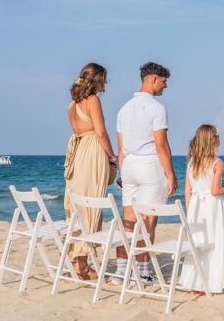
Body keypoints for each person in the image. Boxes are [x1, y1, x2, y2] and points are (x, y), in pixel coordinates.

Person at [113, 62, 177, 285]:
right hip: (149, 165)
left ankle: (121, 271)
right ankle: (142, 271)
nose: (165, 86)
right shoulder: (157, 108)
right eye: (164, 81)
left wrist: (122, 173)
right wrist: (170, 173)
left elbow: (120, 148)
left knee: (128, 221)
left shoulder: (124, 109)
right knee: (148, 221)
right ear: (153, 80)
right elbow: (161, 145)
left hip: (129, 165)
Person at [63, 63, 117, 280]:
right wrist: (112, 157)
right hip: (92, 152)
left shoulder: (72, 104)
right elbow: (101, 132)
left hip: (78, 153)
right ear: (97, 80)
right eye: (104, 79)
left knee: (79, 206)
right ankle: (82, 265)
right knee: (90, 206)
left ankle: (77, 261)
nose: (106, 83)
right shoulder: (93, 100)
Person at [178, 125, 224, 294]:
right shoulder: (217, 163)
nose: (220, 138)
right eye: (217, 136)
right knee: (213, 242)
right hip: (212, 207)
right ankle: (208, 283)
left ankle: (195, 283)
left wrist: (190, 211)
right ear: (212, 140)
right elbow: (215, 191)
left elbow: (187, 191)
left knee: (198, 242)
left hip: (196, 207)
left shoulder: (192, 162)